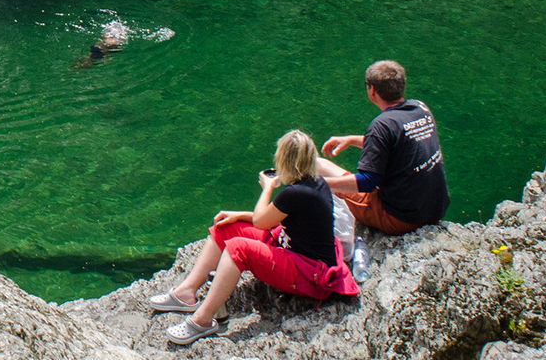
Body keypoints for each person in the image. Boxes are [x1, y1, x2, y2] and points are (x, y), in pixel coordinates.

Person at [148, 130, 359, 346]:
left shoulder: (295, 193)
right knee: (225, 228)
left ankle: (202, 321)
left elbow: (260, 221)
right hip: (293, 250)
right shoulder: (315, 182)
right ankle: (186, 293)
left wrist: (266, 189)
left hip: (307, 274)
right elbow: (275, 218)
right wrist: (239, 215)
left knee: (237, 249)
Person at [316, 60, 449, 235]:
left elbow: (368, 182)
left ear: (372, 90)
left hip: (401, 218)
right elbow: (400, 145)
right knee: (320, 165)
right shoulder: (420, 108)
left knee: (319, 168)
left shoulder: (381, 125)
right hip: (435, 209)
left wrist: (318, 184)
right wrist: (352, 140)